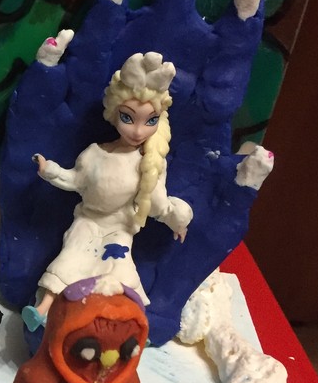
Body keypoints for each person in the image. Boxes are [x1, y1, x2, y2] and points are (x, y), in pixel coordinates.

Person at [22, 51, 191, 331]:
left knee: (120, 270)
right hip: (88, 221)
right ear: (114, 114)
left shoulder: (150, 164)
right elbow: (75, 180)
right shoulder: (94, 154)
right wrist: (49, 169)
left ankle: (129, 323)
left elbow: (158, 205)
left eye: (150, 120)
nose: (138, 131)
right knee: (70, 258)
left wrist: (178, 219)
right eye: (128, 118)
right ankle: (42, 310)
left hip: (119, 229)